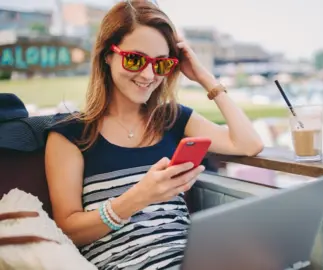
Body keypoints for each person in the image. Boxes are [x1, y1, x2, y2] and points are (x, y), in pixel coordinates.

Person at [44, 1, 264, 269]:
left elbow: (249, 143)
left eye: (161, 64)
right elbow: (67, 232)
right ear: (108, 55)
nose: (148, 75)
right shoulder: (69, 134)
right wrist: (139, 197)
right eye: (135, 59)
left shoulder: (171, 118)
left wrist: (205, 77)